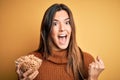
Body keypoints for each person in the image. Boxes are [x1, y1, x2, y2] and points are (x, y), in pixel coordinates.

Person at [16, 3, 105, 80]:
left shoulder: (86, 60)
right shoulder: (31, 62)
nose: (62, 28)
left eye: (67, 22)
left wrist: (93, 78)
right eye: (55, 23)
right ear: (47, 30)